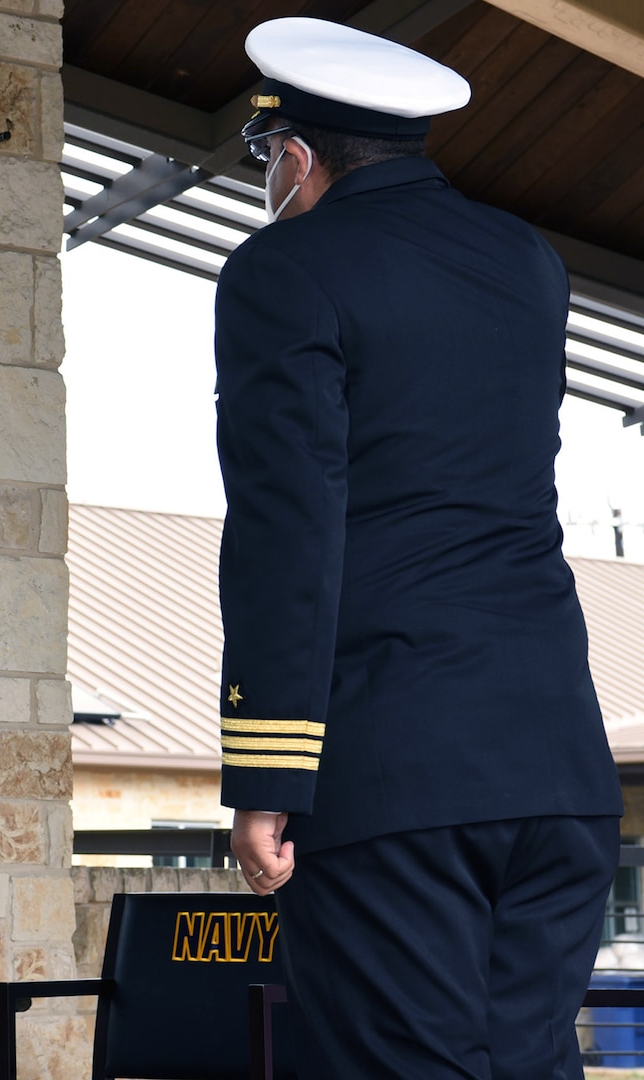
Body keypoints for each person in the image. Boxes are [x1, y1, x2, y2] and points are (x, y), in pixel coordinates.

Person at [214, 17, 623, 1079]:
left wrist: (267, 774)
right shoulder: (525, 261)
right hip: (554, 764)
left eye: (267, 162)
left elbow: (286, 528)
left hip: (395, 764)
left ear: (296, 157)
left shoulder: (283, 269)